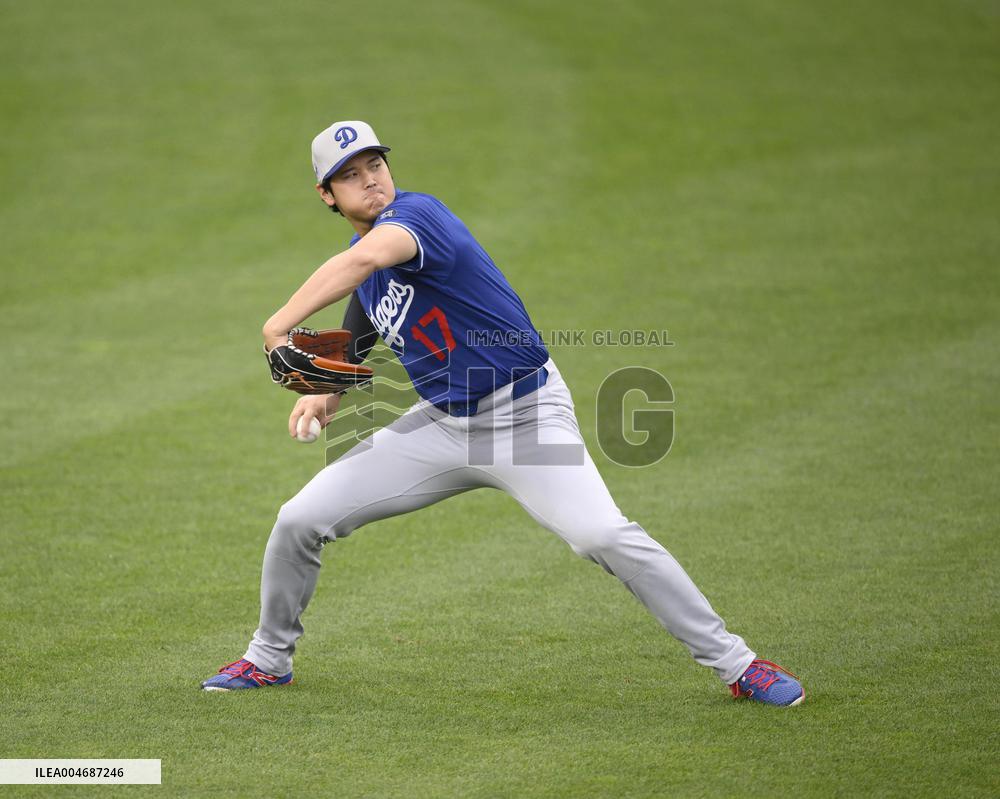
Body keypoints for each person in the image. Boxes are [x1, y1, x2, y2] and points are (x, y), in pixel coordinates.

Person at [200, 120, 805, 707]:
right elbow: (366, 298)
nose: (371, 181)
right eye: (350, 176)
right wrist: (333, 386)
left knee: (603, 534)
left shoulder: (418, 217)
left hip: (527, 418)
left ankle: (739, 664)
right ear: (327, 195)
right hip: (442, 426)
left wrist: (277, 326)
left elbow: (365, 263)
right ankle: (268, 659)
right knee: (299, 518)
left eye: (375, 165)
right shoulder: (367, 257)